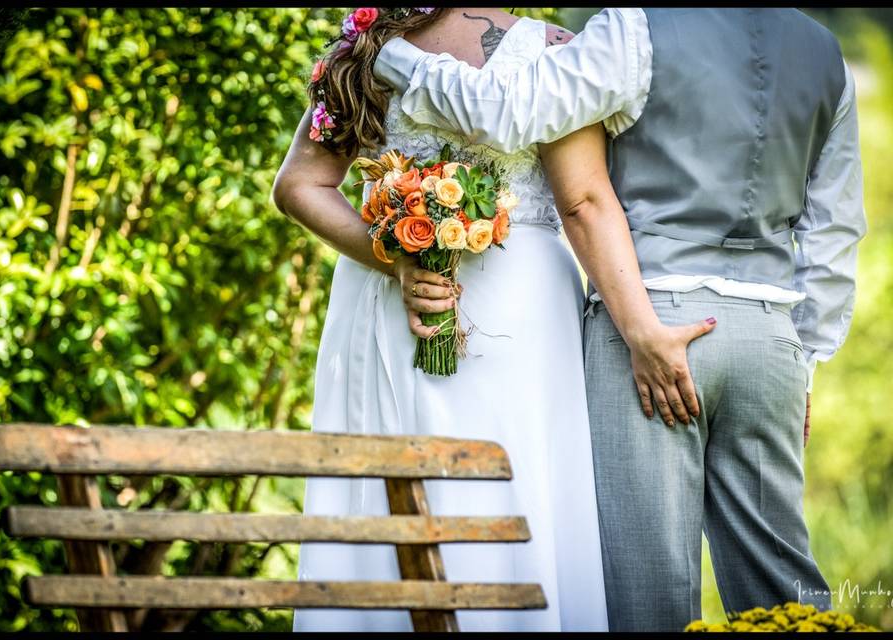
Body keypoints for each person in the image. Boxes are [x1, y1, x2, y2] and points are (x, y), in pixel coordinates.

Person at [373, 7, 867, 632]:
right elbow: (834, 231)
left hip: (647, 327)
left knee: (649, 591)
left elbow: (506, 112)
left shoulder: (635, 28)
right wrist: (807, 360)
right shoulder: (825, 54)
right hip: (770, 337)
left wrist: (387, 51)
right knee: (781, 584)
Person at [273, 7, 711, 632]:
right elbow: (583, 200)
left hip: (408, 302)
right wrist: (642, 329)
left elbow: (299, 186)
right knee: (512, 481)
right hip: (517, 306)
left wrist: (391, 256)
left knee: (396, 492)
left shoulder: (364, 47)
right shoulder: (556, 51)